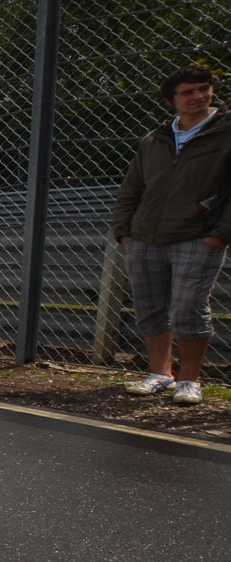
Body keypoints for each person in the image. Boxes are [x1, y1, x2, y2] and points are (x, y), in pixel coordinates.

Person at [111, 66, 231, 407]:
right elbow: (131, 188)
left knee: (188, 309)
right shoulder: (154, 140)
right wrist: (124, 232)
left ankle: (190, 380)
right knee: (150, 308)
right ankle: (160, 374)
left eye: (204, 88)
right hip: (144, 237)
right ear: (170, 100)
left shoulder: (225, 132)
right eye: (188, 92)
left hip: (198, 235)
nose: (199, 96)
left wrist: (219, 235)